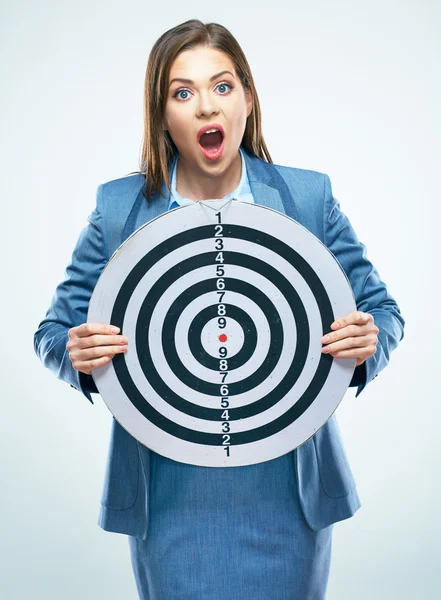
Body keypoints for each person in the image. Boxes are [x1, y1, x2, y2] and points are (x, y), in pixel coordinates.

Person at [34, 19, 405, 600]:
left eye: (223, 86)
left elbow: (383, 309)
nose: (206, 107)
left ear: (249, 99)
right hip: (169, 494)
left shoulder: (308, 197)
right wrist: (75, 354)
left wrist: (368, 342)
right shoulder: (117, 209)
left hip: (289, 493)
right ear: (162, 116)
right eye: (183, 93)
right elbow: (53, 331)